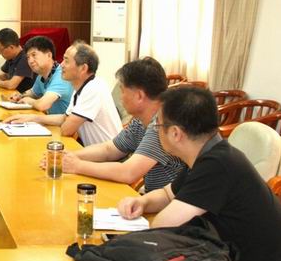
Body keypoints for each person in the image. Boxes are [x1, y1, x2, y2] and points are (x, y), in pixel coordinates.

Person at [117, 87, 281, 261]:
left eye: (158, 125)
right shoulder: (207, 153)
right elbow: (166, 195)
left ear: (176, 133)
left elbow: (163, 225)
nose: (155, 130)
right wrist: (142, 203)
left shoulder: (218, 165)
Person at [52, 57, 187, 192]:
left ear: (139, 96)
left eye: (122, 90)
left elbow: (128, 172)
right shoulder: (140, 121)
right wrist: (70, 156)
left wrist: (77, 166)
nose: (121, 97)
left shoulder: (162, 124)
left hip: (171, 202)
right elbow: (109, 149)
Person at [9, 41, 122, 146]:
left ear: (83, 68)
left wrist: (37, 116)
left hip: (111, 156)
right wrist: (33, 118)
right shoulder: (81, 86)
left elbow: (66, 129)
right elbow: (65, 118)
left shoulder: (93, 88)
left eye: (66, 61)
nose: (61, 65)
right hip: (96, 151)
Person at [7, 36, 73, 114]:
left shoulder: (61, 76)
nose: (30, 61)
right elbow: (33, 93)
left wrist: (28, 101)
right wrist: (19, 96)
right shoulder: (42, 75)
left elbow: (42, 105)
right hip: (49, 118)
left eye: (34, 55)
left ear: (49, 55)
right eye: (28, 57)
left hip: (63, 121)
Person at [0, 28, 34, 93]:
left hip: (23, 96)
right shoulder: (11, 57)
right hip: (13, 94)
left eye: (0, 49)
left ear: (11, 47)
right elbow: (6, 75)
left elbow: (11, 85)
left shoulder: (25, 58)